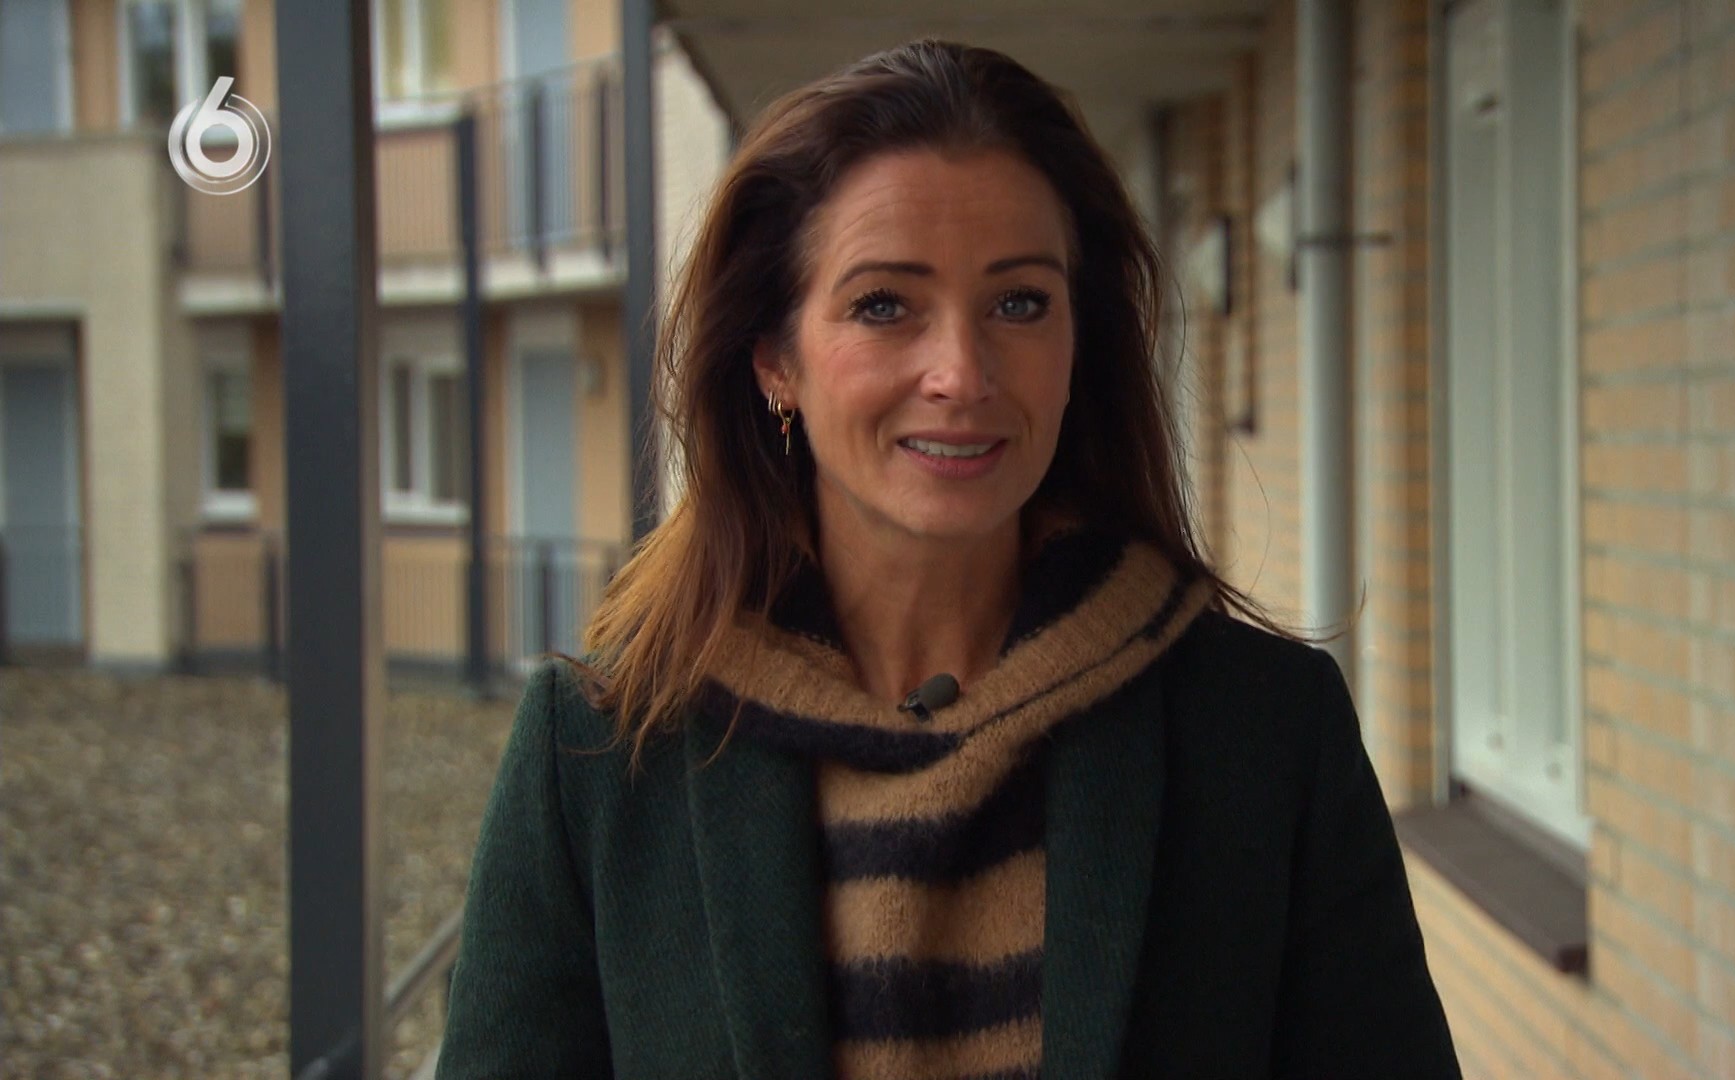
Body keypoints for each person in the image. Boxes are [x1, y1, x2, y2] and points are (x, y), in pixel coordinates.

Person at [437, 39, 1460, 1080]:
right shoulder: (599, 756)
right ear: (775, 360)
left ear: (1080, 346)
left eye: (1020, 303)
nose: (962, 374)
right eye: (884, 305)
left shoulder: (1264, 733)